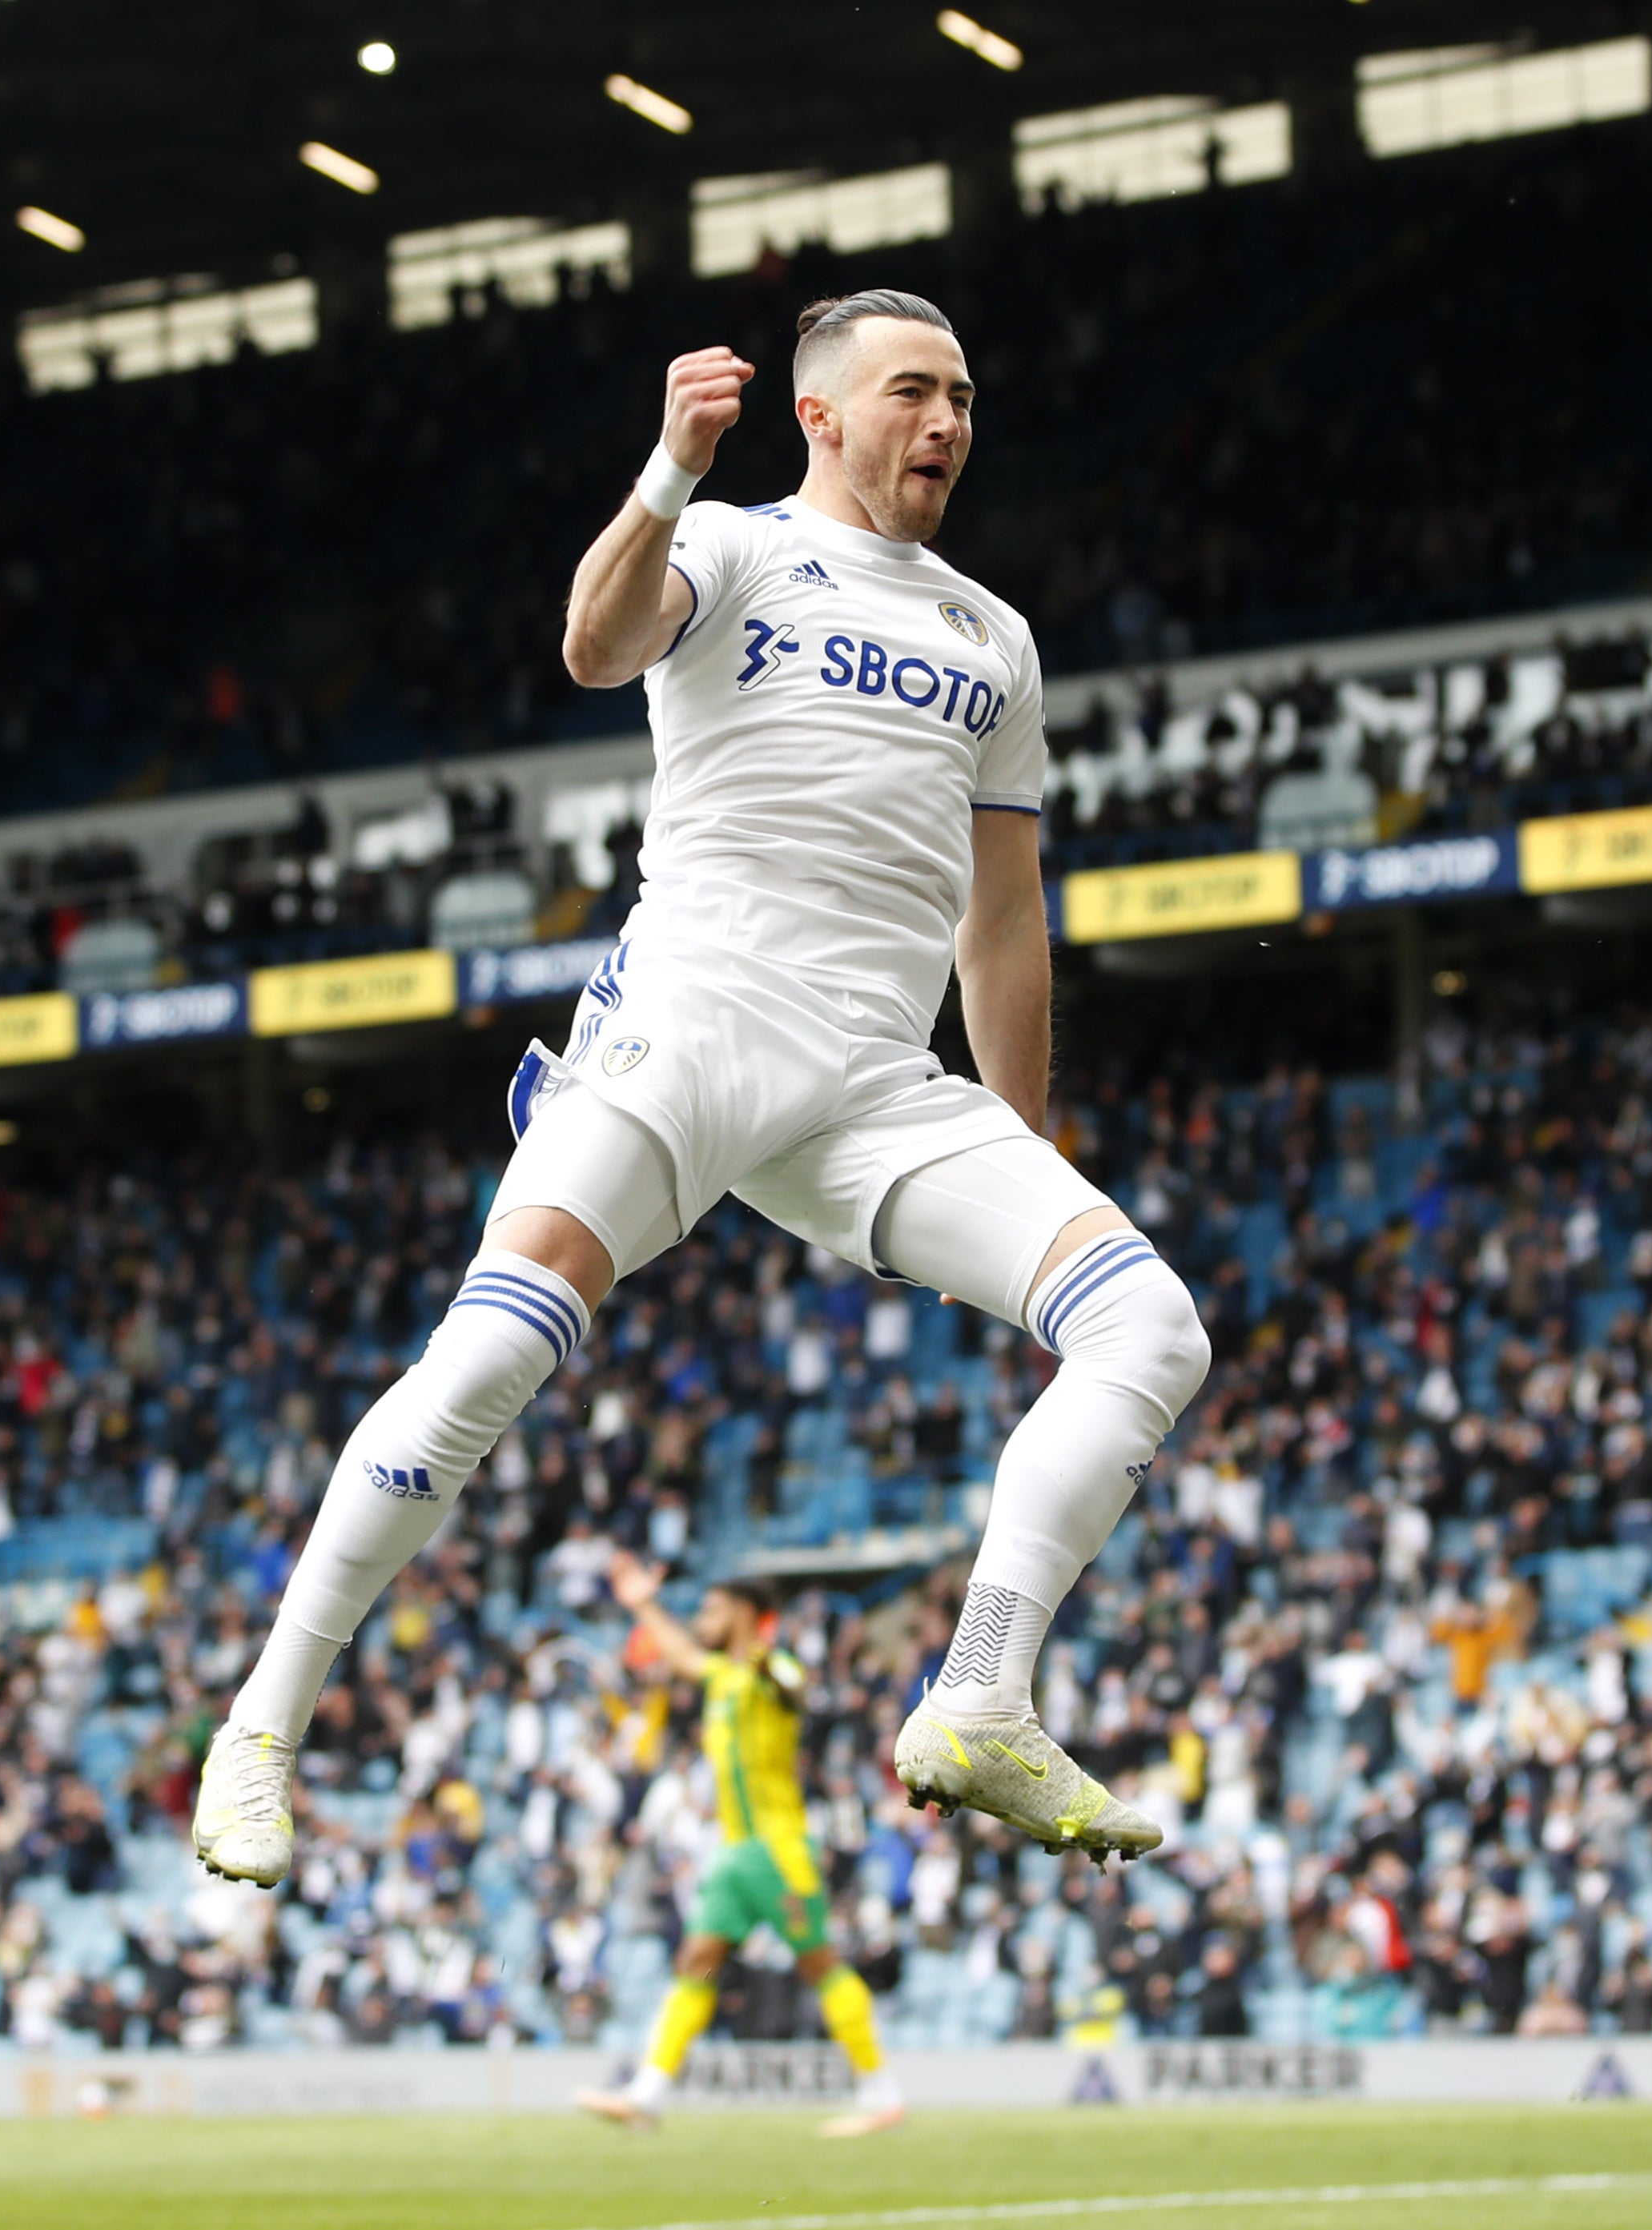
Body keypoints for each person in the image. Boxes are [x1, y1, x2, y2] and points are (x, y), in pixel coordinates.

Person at [194, 287, 1208, 1887]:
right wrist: (665, 471)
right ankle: (262, 1720)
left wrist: (1015, 1156)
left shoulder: (992, 638)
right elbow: (593, 646)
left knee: (1149, 1325)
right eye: (909, 393)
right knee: (492, 1349)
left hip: (878, 1080)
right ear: (819, 414)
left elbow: (1000, 920)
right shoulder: (732, 547)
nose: (944, 422)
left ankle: (982, 1696)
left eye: (960, 395)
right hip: (695, 1016)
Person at [573, 1557, 902, 2136]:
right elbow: (679, 1655)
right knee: (694, 1962)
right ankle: (647, 2094)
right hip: (734, 1852)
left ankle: (881, 2094)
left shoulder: (769, 1667)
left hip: (777, 1850)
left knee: (818, 1962)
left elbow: (796, 1688)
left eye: (712, 1608)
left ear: (745, 1613)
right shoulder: (722, 1676)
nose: (702, 1618)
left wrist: (771, 1667)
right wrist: (641, 1605)